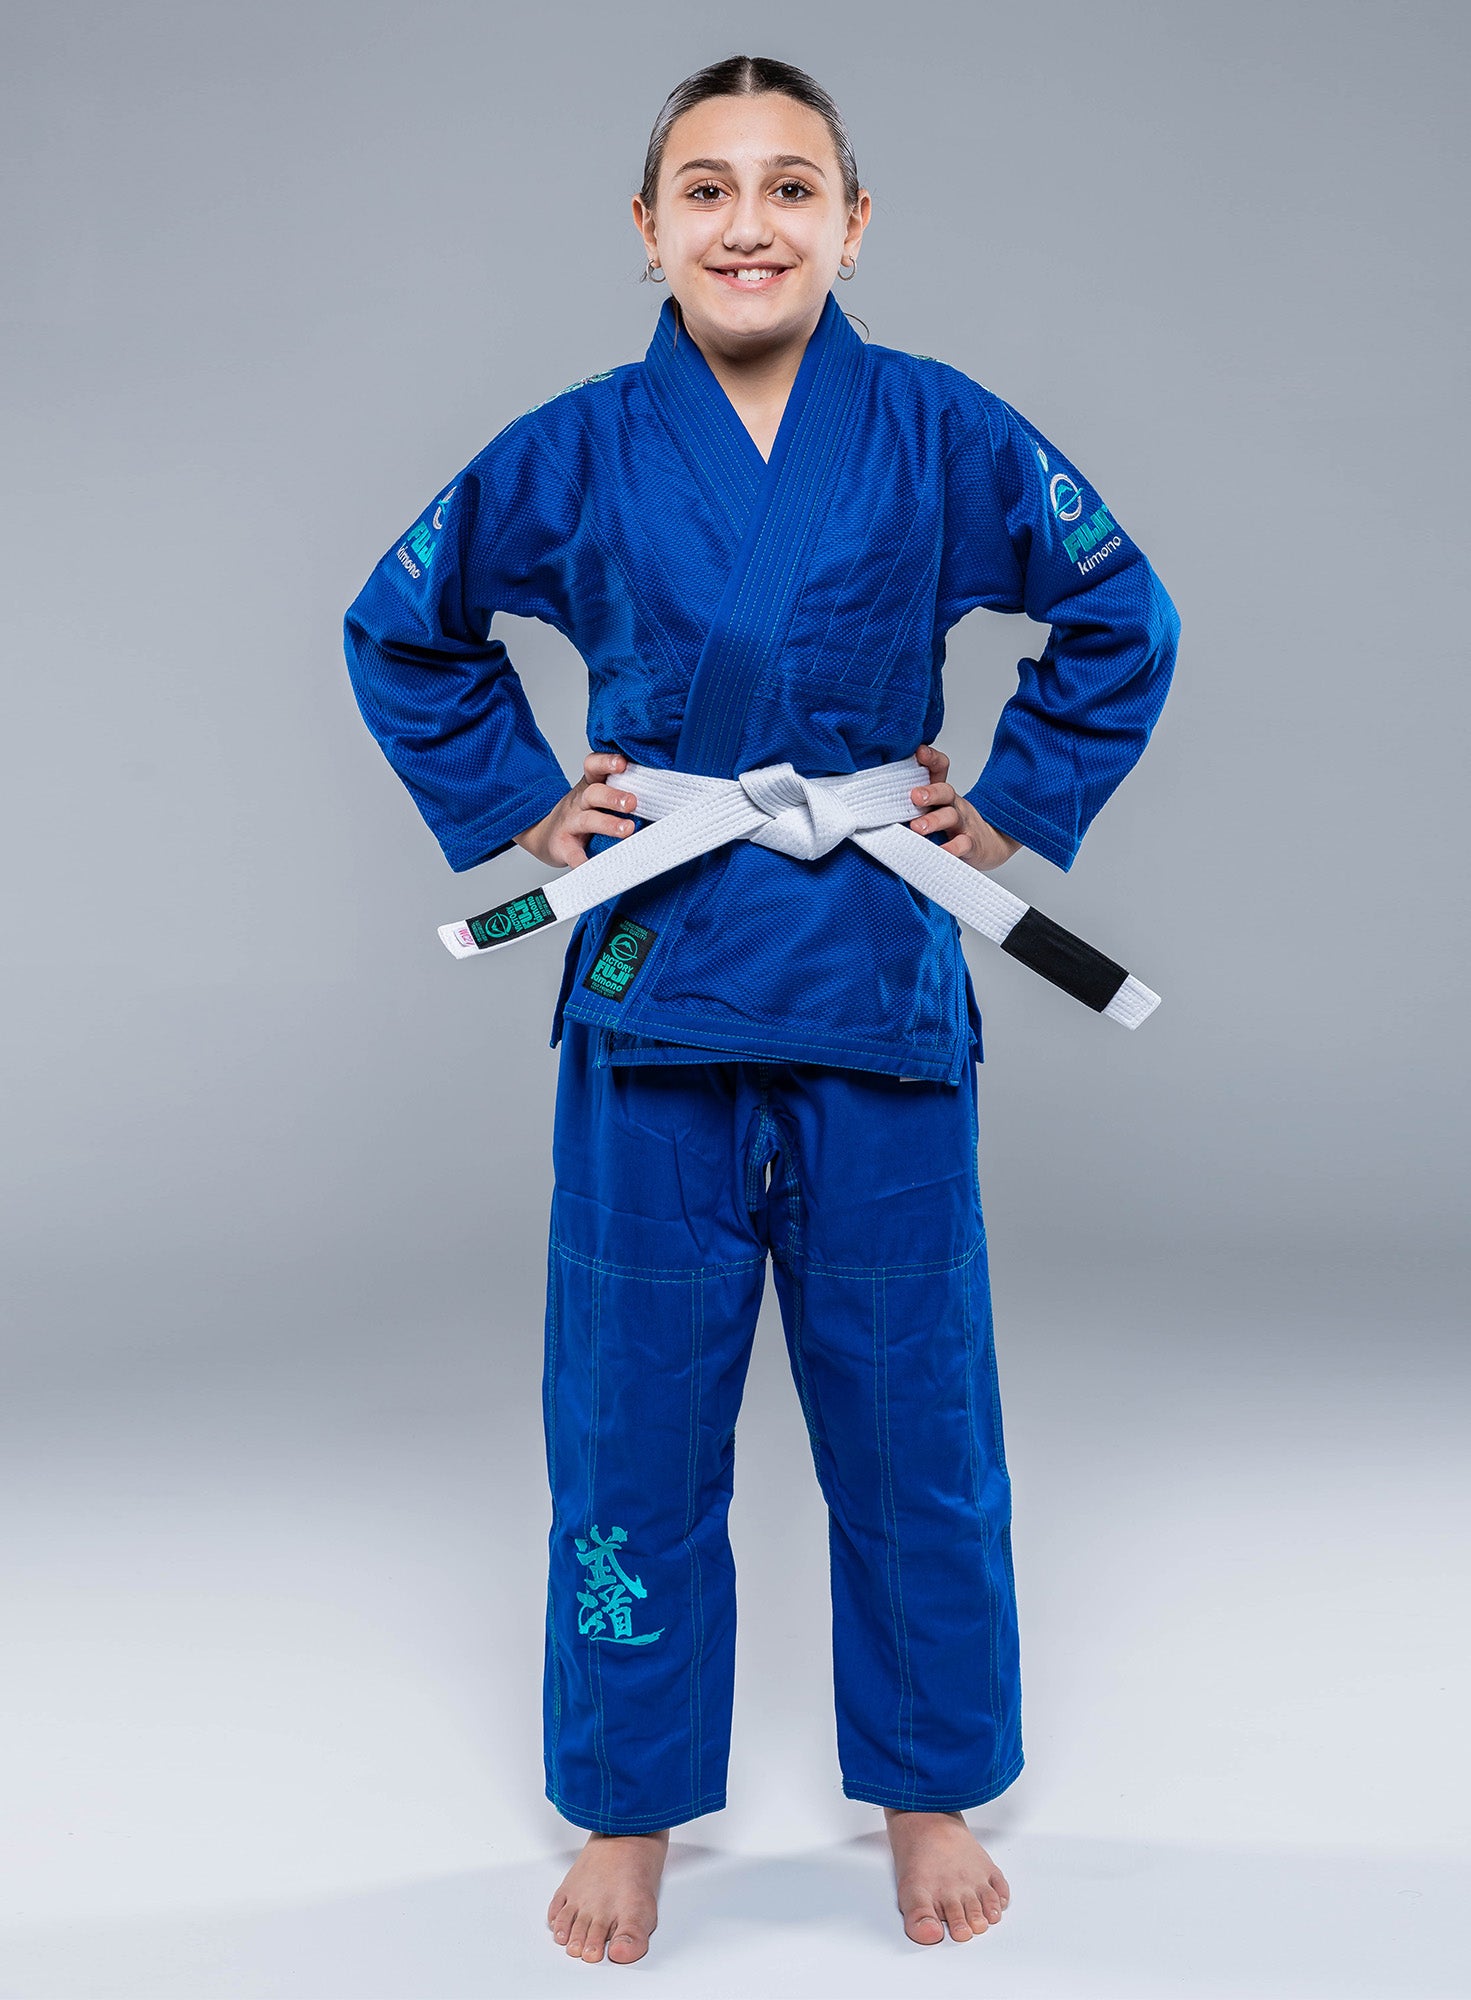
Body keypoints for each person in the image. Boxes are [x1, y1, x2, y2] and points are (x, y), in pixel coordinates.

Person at [344, 53, 1178, 1965]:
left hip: (878, 974)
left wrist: (1020, 799)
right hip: (655, 988)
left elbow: (1123, 610)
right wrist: (515, 804)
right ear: (647, 231)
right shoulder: (574, 446)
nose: (749, 222)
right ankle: (629, 1802)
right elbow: (403, 620)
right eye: (706, 190)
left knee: (912, 1414)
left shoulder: (942, 431)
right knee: (632, 1414)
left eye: (792, 187)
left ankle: (931, 1785)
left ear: (854, 225)